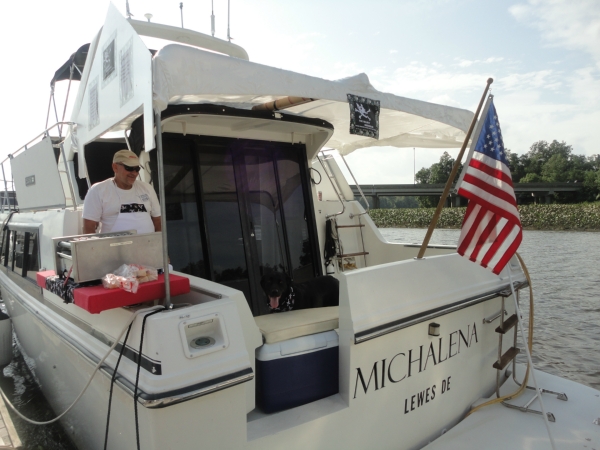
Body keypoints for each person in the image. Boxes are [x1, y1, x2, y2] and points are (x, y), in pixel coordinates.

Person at [83, 150, 162, 235]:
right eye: (129, 168)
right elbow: (89, 227)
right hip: (113, 243)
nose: (134, 173)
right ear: (115, 167)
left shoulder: (147, 188)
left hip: (148, 242)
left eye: (137, 169)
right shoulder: (97, 190)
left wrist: (158, 242)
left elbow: (158, 221)